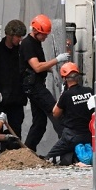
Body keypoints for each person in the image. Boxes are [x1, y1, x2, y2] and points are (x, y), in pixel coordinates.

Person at [19, 14, 69, 152]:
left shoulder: (35, 42)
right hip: (34, 87)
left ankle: (28, 151)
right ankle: (66, 144)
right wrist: (57, 60)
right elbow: (37, 67)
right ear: (35, 31)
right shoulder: (28, 44)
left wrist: (50, 70)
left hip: (35, 85)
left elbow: (39, 66)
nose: (45, 37)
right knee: (55, 111)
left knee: (40, 122)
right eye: (43, 34)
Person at [0, 19, 28, 160]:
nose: (20, 40)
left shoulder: (20, 52)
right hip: (0, 98)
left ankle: (11, 156)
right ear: (10, 35)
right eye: (18, 36)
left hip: (16, 97)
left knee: (15, 128)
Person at [47, 63, 93, 165]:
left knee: (50, 158)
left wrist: (62, 93)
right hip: (88, 135)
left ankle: (73, 160)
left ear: (64, 79)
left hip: (71, 136)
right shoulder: (89, 91)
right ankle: (79, 157)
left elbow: (55, 113)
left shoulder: (66, 95)